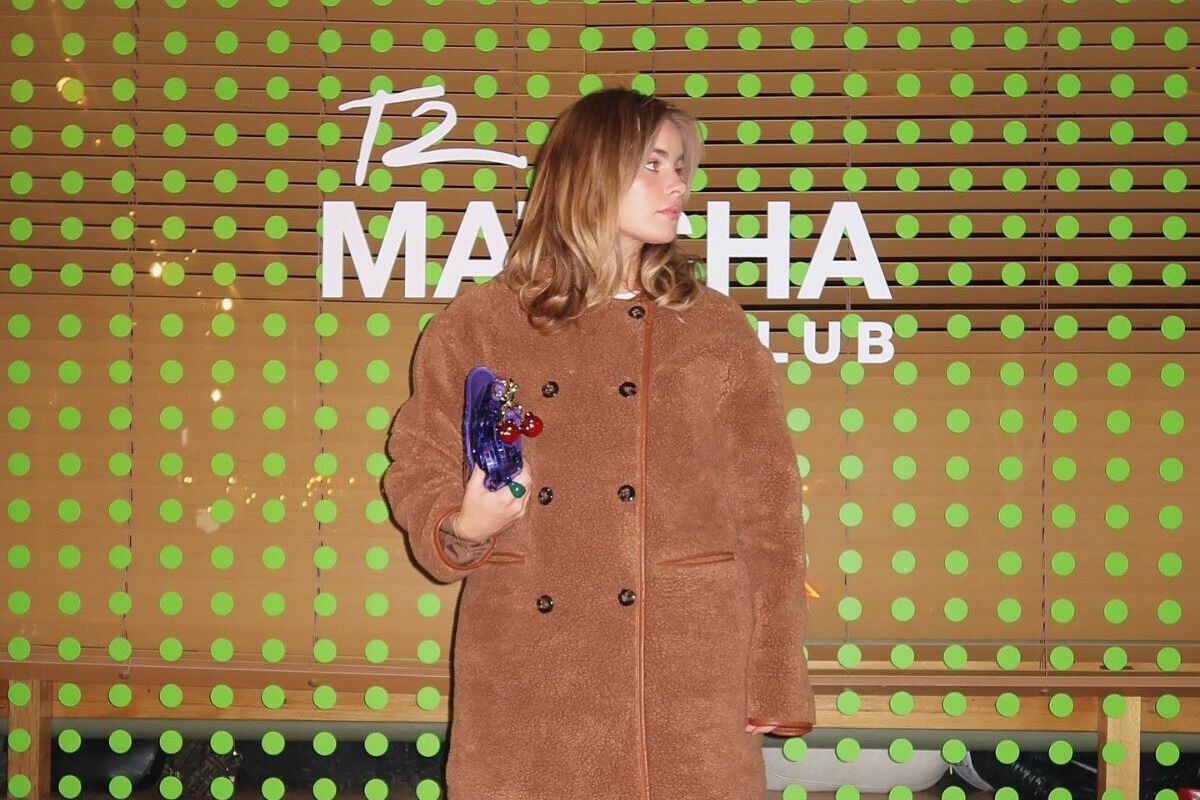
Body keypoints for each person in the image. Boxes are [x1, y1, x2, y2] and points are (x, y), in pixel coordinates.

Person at [383, 86, 814, 800]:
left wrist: (774, 676)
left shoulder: (712, 328)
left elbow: (770, 512)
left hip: (681, 672)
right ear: (589, 170)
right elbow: (418, 459)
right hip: (531, 664)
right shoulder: (482, 324)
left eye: (681, 167)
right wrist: (462, 525)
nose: (678, 184)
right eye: (654, 164)